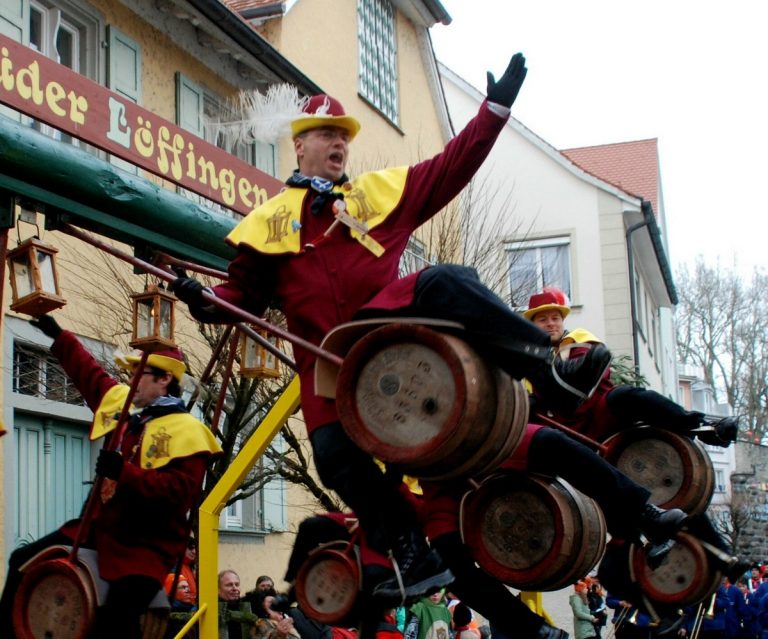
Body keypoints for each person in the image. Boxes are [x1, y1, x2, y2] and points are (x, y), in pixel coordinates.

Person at [172, 53, 617, 605]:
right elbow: (238, 299)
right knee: (334, 458)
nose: (339, 145)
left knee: (445, 282)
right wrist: (203, 301)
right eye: (327, 135)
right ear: (300, 145)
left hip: (390, 344)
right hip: (328, 369)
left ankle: (547, 370)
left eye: (344, 138)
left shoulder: (376, 195)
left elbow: (451, 167)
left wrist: (494, 111)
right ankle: (410, 548)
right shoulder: (268, 224)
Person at [0, 314, 222, 639]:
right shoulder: (124, 405)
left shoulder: (189, 432)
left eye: (140, 374)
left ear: (164, 380)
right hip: (94, 531)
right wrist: (59, 336)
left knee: (115, 623)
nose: (132, 379)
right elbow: (88, 374)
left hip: (143, 548)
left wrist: (124, 473)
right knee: (22, 561)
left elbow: (180, 494)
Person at [523, 287, 739, 446]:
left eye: (555, 318)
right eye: (543, 319)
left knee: (629, 396)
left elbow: (596, 381)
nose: (551, 323)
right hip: (556, 429)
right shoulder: (525, 358)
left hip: (594, 415)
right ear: (532, 325)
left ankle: (702, 426)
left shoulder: (580, 341)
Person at [164, 536, 199, 612]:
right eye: (190, 548)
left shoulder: (191, 568)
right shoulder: (173, 566)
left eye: (195, 549)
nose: (194, 551)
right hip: (180, 609)